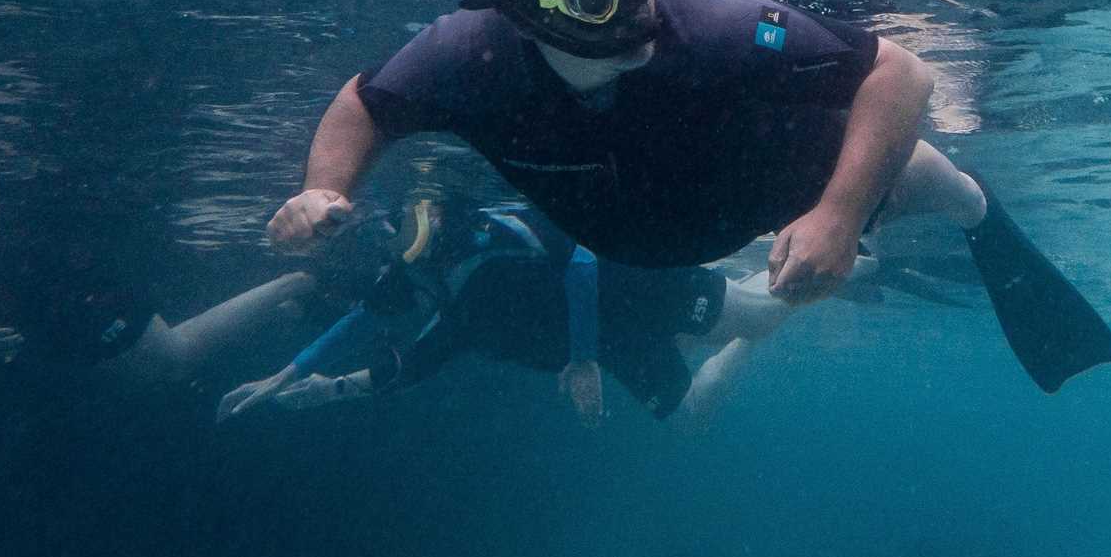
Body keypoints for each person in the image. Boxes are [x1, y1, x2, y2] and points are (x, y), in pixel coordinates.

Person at [268, 0, 1111, 391]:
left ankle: (969, 206)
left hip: (772, 182)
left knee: (923, 173)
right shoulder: (467, 55)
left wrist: (836, 212)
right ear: (524, 18)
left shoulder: (707, 23)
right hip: (644, 225)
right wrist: (321, 189)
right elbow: (363, 105)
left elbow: (899, 74)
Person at [221, 194, 879, 425]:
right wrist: (300, 379)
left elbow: (584, 256)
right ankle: (763, 276)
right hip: (601, 335)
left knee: (759, 317)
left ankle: (839, 260)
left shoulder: (464, 237)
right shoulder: (425, 283)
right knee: (692, 415)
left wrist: (586, 359)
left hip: (635, 290)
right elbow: (388, 334)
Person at [0, 176, 314, 383]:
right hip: (47, 295)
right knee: (155, 366)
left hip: (64, 288)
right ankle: (274, 308)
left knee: (174, 362)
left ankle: (291, 285)